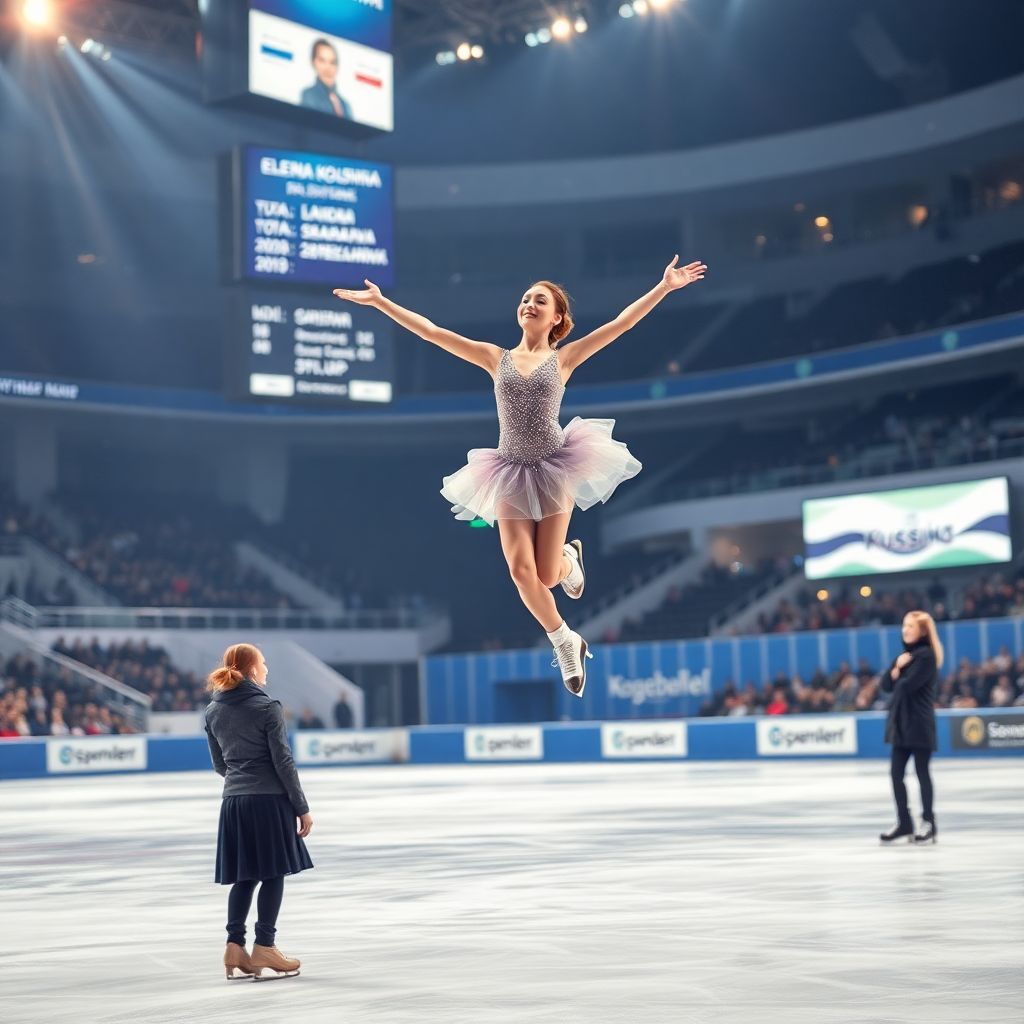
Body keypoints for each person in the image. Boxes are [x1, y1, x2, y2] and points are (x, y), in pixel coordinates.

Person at [333, 257, 706, 696]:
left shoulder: (564, 358)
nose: (530, 303)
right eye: (526, 298)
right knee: (520, 570)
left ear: (557, 317)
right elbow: (433, 332)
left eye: (540, 300)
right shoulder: (496, 358)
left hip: (554, 467)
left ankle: (568, 559)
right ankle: (565, 640)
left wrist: (663, 287)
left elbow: (622, 324)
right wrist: (382, 304)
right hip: (508, 471)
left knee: (547, 575)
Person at [204, 643, 314, 981]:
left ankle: (234, 945)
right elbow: (283, 762)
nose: (266, 668)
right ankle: (265, 946)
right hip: (268, 801)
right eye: (263, 663)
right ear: (252, 669)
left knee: (245, 875)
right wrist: (302, 807)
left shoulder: (212, 711)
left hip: (234, 803)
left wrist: (242, 780)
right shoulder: (267, 707)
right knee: (273, 872)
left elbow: (220, 764)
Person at [878, 611, 942, 845]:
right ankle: (904, 823)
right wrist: (896, 666)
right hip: (901, 725)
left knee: (922, 773)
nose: (905, 630)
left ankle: (929, 823)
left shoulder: (926, 656)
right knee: (896, 774)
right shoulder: (905, 656)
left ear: (922, 631)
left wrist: (899, 670)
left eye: (910, 626)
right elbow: (886, 684)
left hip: (919, 724)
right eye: (904, 625)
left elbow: (906, 686)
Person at [299, 38, 352, 118]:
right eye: (322, 61)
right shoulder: (309, 95)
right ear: (313, 63)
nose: (328, 68)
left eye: (332, 62)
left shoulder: (345, 105)